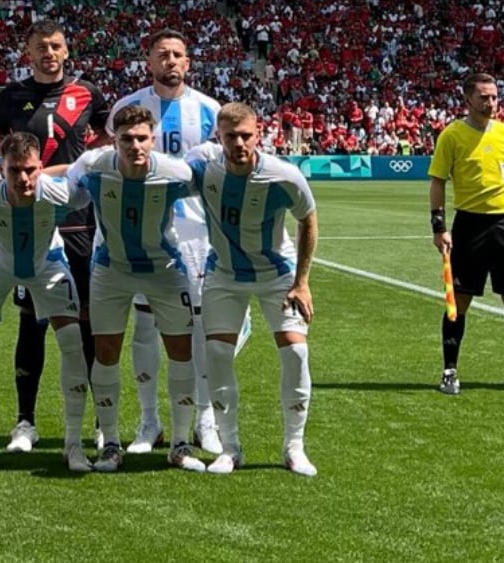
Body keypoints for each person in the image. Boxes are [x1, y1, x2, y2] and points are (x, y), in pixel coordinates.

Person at [0, 19, 110, 455]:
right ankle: (25, 422)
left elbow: (109, 136)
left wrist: (80, 165)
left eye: (55, 45)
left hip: (76, 222)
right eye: (40, 47)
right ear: (27, 52)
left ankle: (99, 423)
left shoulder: (87, 93)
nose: (48, 53)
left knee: (86, 321)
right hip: (28, 222)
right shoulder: (12, 96)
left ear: (67, 50)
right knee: (31, 322)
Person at [106, 28, 242, 456]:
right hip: (145, 234)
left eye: (177, 54)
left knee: (199, 329)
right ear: (148, 61)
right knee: (145, 325)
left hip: (196, 237)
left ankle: (203, 419)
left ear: (188, 62)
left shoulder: (209, 110)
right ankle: (149, 422)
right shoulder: (127, 109)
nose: (170, 61)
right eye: (162, 54)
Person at [63, 105, 203, 473]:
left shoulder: (176, 173)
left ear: (153, 139)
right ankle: (110, 444)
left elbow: (212, 198)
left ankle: (180, 443)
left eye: (142, 138)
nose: (135, 145)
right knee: (105, 353)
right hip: (111, 270)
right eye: (126, 139)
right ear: (115, 140)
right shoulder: (94, 165)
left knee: (181, 354)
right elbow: (67, 195)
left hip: (165, 270)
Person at [186, 103, 318, 477]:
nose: (239, 142)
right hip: (224, 273)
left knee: (295, 351)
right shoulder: (204, 169)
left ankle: (295, 447)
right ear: (219, 137)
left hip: (277, 273)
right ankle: (230, 448)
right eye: (231, 136)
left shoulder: (282, 175)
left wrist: (302, 282)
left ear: (258, 134)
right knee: (216, 353)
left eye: (246, 135)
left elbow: (308, 220)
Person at [0, 132, 93, 473]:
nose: (23, 178)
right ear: (1, 170)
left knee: (73, 340)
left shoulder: (59, 193)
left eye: (30, 169)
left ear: (41, 167)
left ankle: (73, 445)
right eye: (14, 170)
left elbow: (85, 192)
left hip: (47, 263)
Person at [428, 72, 504, 396]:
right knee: (460, 300)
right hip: (469, 226)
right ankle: (450, 371)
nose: (490, 102)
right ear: (468, 99)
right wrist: (439, 227)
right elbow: (438, 181)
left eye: (494, 96)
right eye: (484, 96)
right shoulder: (451, 135)